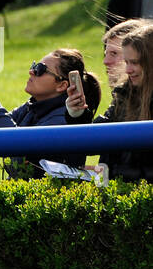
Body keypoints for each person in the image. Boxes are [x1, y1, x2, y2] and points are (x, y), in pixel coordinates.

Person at [0, 48, 89, 178]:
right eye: (34, 65)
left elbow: (19, 160)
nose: (31, 71)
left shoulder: (61, 119)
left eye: (40, 69)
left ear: (61, 85)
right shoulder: (32, 106)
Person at [64, 23, 153, 182]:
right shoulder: (124, 95)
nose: (127, 70)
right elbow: (96, 140)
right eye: (126, 62)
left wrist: (108, 176)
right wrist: (77, 114)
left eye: (134, 62)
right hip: (119, 196)